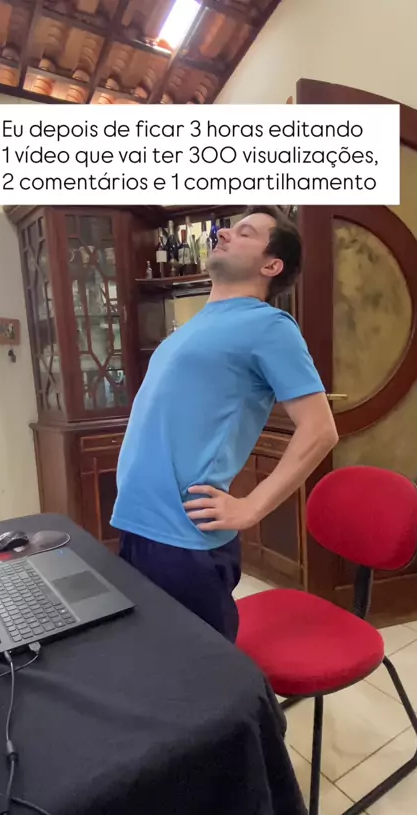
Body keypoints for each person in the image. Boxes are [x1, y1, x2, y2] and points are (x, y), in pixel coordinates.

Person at [111, 206, 338, 642]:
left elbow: (320, 429)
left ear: (271, 265)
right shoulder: (191, 329)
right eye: (230, 229)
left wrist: (251, 506)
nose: (224, 234)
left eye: (245, 233)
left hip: (183, 540)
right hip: (139, 526)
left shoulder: (269, 326)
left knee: (200, 676)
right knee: (151, 666)